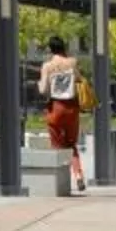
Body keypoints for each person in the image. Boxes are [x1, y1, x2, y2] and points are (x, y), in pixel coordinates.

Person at [39, 38, 85, 193]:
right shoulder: (72, 62)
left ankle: (59, 182)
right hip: (72, 107)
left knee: (57, 145)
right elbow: (79, 80)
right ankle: (78, 175)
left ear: (50, 49)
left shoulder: (48, 66)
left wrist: (41, 85)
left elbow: (43, 90)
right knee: (71, 144)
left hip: (55, 108)